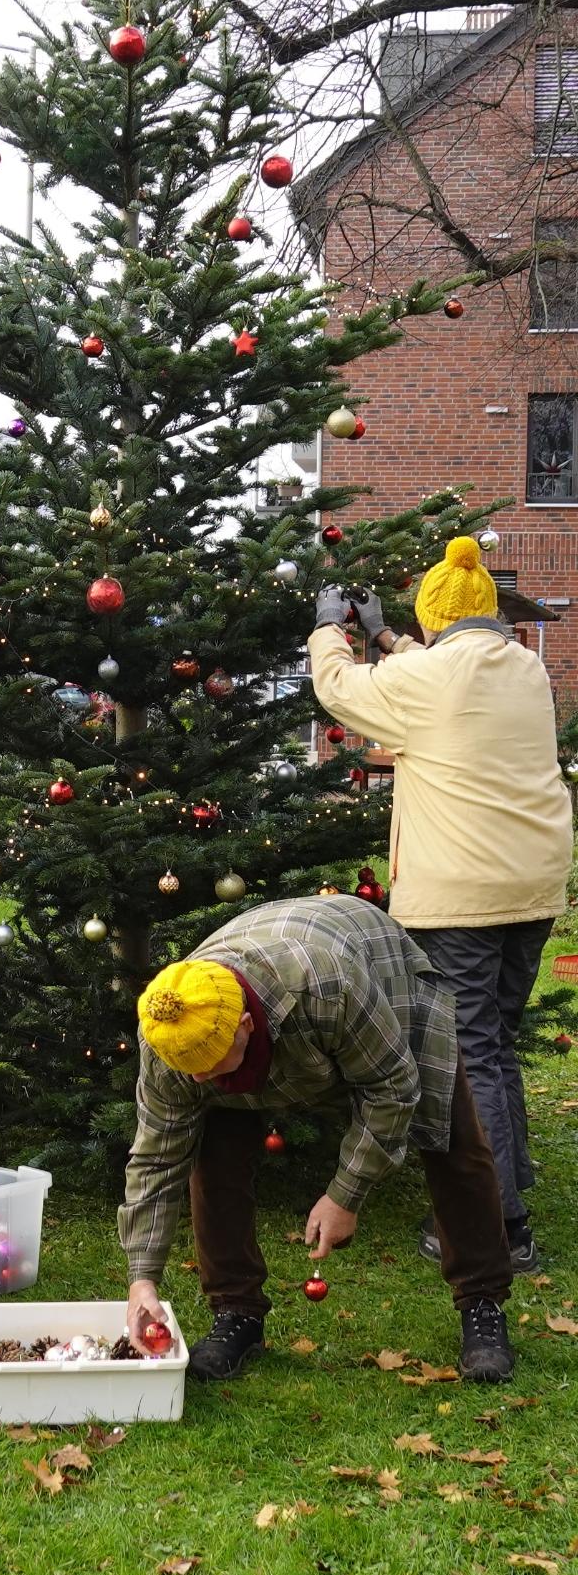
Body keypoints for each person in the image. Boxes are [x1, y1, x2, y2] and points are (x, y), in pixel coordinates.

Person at [310, 536, 572, 1273]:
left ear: (434, 618)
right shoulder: (526, 668)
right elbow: (436, 668)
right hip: (533, 887)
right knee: (497, 1041)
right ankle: (511, 1182)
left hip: (462, 893)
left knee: (468, 1056)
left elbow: (341, 689)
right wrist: (388, 635)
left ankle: (499, 1226)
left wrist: (334, 627)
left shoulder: (426, 677)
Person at [120, 895, 515, 1384]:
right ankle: (236, 1312)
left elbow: (392, 1088)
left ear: (245, 1024)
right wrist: (142, 1281)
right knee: (212, 1154)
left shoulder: (327, 989)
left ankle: (482, 1305)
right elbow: (156, 1161)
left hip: (375, 966)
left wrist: (344, 1196)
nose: (199, 1079)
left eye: (212, 1065)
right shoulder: (170, 1038)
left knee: (451, 1136)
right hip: (273, 985)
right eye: (189, 1070)